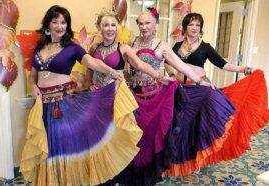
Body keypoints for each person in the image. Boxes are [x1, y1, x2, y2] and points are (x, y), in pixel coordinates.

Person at [101, 9, 236, 186]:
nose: (143, 27)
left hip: (153, 98)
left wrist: (199, 82)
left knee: (150, 137)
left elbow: (180, 65)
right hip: (132, 96)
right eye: (140, 23)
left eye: (147, 23)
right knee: (132, 136)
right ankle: (130, 171)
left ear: (155, 24)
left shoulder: (162, 45)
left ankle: (148, 173)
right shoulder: (131, 42)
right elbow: (126, 67)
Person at [19, 5, 145, 186]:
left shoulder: (72, 47)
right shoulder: (40, 47)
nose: (59, 26)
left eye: (63, 22)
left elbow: (92, 62)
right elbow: (33, 75)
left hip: (64, 103)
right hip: (43, 106)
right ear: (48, 24)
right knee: (49, 149)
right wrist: (34, 86)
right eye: (55, 22)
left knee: (66, 146)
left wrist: (111, 72)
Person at [164, 12, 269, 177]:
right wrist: (171, 75)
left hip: (200, 90)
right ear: (185, 27)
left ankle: (197, 160)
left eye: (198, 25)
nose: (194, 28)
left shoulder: (205, 47)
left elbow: (223, 64)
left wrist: (245, 69)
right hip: (180, 90)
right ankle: (176, 158)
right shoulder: (177, 46)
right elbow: (167, 62)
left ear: (201, 29)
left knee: (198, 127)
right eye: (191, 24)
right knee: (180, 126)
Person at [87, 9, 172, 90]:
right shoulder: (94, 48)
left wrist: (159, 77)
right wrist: (90, 84)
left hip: (116, 94)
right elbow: (89, 67)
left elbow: (140, 64)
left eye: (113, 25)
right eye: (106, 25)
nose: (110, 29)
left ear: (117, 28)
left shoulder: (124, 48)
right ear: (99, 27)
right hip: (97, 94)